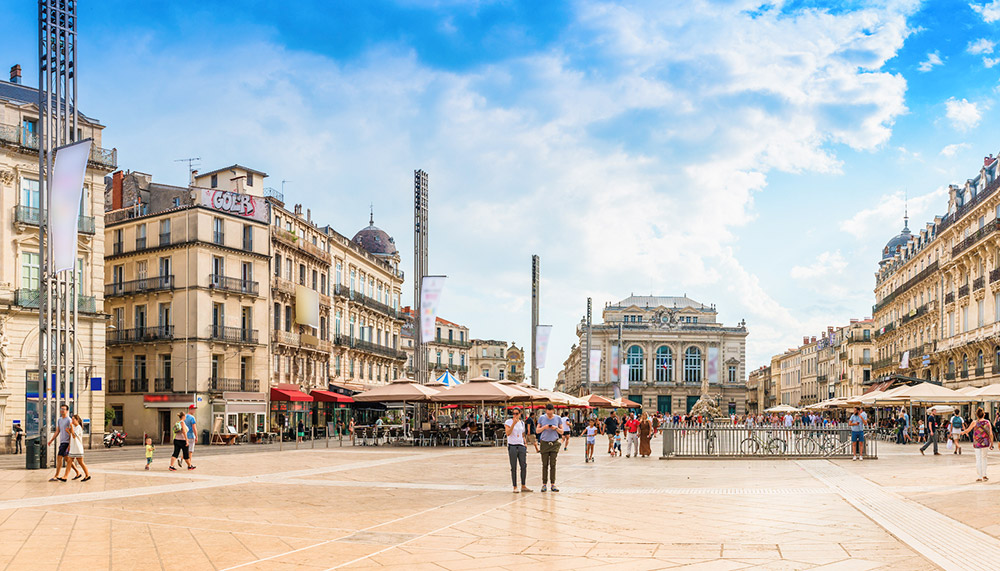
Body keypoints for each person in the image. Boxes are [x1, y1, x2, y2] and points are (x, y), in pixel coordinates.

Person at [961, 407, 994, 481]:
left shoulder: (974, 422)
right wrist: (991, 443)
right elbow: (991, 434)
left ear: (976, 415)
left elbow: (968, 430)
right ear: (984, 414)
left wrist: (962, 432)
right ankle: (984, 475)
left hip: (977, 443)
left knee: (978, 459)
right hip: (985, 442)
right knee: (984, 458)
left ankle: (979, 476)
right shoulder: (987, 422)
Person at [504, 408, 531, 493]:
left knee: (523, 465)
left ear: (520, 414)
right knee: (513, 466)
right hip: (512, 446)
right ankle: (515, 486)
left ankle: (523, 485)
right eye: (513, 413)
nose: (515, 415)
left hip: (521, 445)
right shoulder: (508, 422)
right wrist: (513, 424)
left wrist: (525, 442)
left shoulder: (522, 423)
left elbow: (522, 434)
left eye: (516, 413)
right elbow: (508, 433)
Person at [537, 404, 563, 492]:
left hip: (554, 442)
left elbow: (562, 431)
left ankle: (553, 484)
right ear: (546, 410)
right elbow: (537, 431)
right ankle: (544, 484)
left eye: (551, 411)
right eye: (548, 411)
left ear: (553, 410)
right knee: (544, 464)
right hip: (544, 443)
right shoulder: (542, 418)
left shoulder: (558, 418)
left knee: (553, 464)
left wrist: (555, 428)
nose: (549, 413)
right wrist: (544, 427)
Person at [47, 404, 72, 482]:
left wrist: (70, 444)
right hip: (62, 441)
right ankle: (78, 472)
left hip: (67, 442)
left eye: (64, 409)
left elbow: (71, 432)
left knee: (59, 457)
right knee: (67, 459)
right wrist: (51, 440)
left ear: (67, 411)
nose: (62, 410)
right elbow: (58, 431)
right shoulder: (59, 420)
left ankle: (56, 475)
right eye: (61, 409)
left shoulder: (69, 420)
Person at [65, 415, 91, 482]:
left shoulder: (78, 427)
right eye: (72, 419)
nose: (72, 421)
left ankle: (87, 475)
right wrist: (68, 431)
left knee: (81, 462)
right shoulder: (74, 427)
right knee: (69, 461)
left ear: (77, 420)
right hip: (73, 448)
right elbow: (72, 435)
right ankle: (65, 476)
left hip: (78, 448)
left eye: (73, 419)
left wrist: (71, 427)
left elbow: (74, 436)